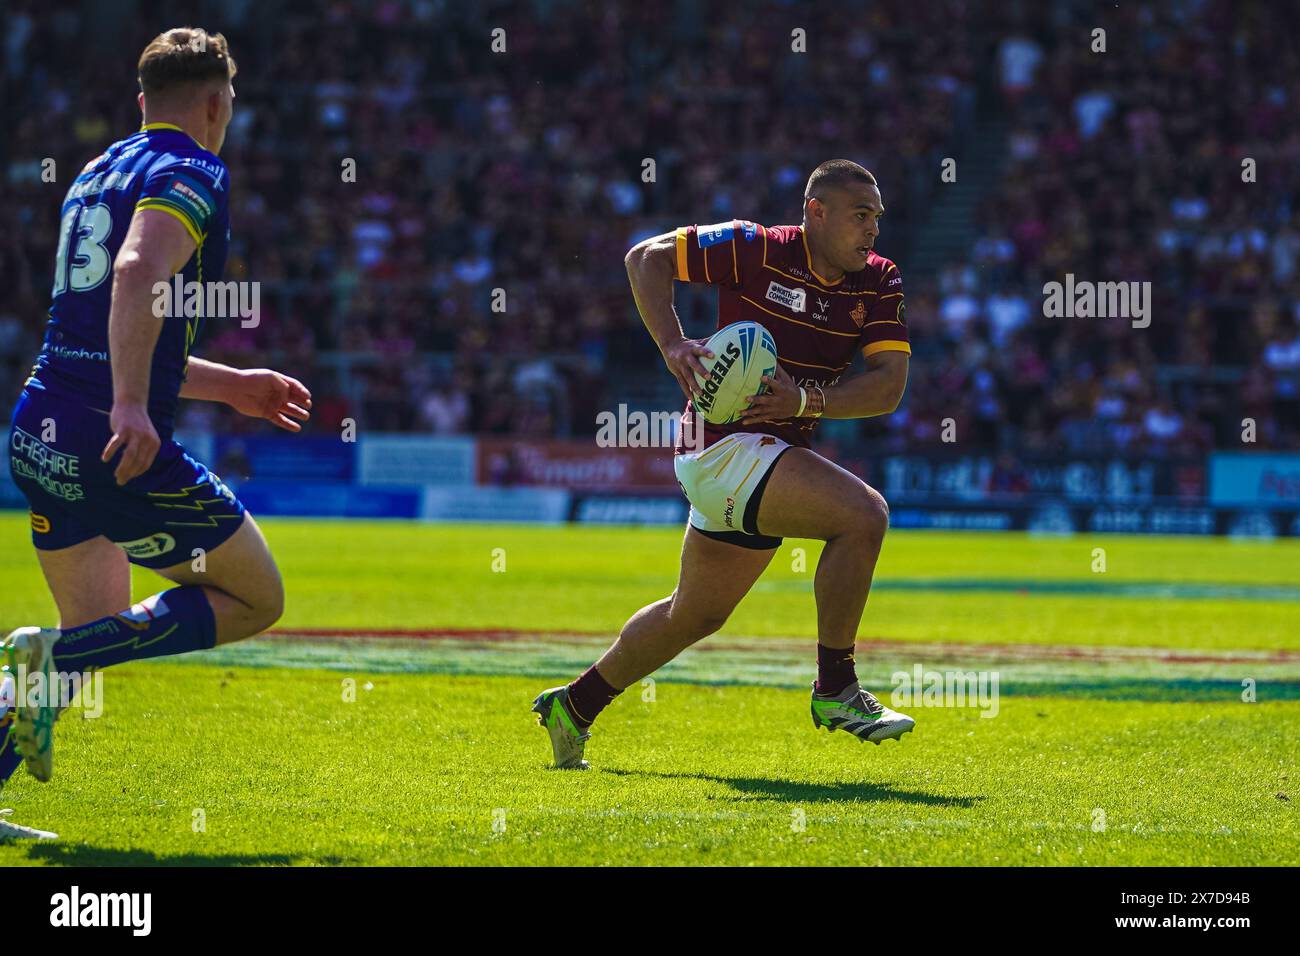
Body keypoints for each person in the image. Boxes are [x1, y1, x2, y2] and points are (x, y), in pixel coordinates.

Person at [1, 27, 311, 837]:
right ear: (216, 104)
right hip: (112, 441)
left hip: (40, 425)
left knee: (90, 633)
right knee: (257, 596)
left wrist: (226, 385)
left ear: (143, 101)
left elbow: (105, 318)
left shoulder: (98, 169)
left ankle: (45, 673)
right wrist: (135, 406)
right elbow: (138, 274)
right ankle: (52, 658)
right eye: (231, 105)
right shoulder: (194, 168)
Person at [534, 159, 914, 769]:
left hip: (766, 457)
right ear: (815, 212)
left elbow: (888, 387)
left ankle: (574, 706)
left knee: (695, 613)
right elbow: (644, 258)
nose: (873, 230)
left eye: (877, 218)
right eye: (860, 215)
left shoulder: (879, 280)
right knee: (863, 515)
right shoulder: (752, 247)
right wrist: (672, 345)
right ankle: (836, 688)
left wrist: (806, 400)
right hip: (721, 445)